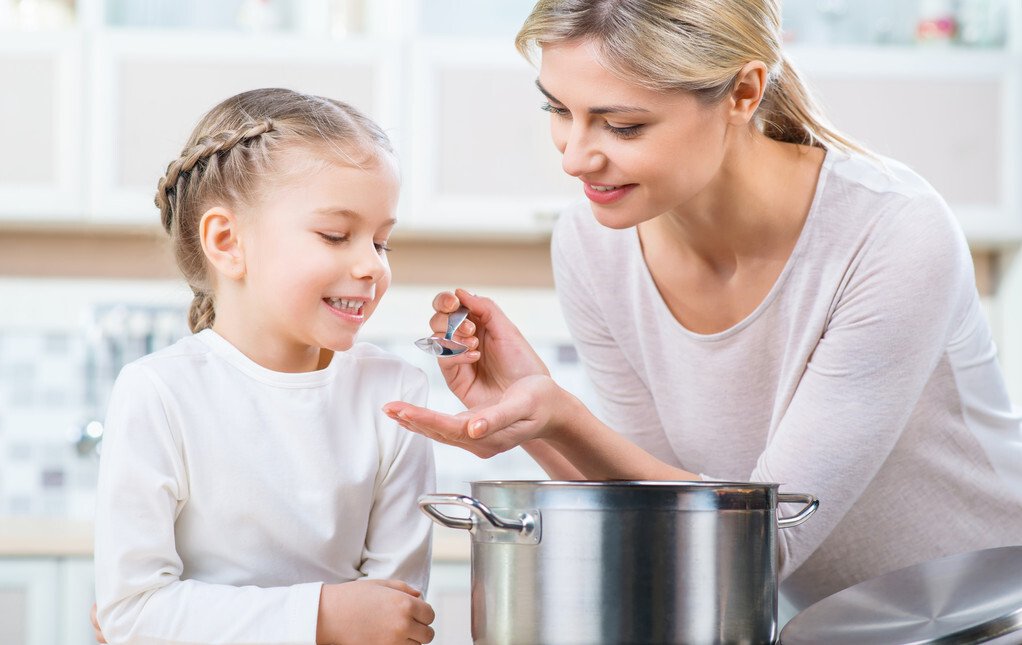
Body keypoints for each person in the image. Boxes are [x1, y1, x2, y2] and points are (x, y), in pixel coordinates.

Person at [383, 0, 1022, 610]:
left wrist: (566, 418)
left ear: (743, 93)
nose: (576, 156)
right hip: (825, 625)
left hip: (989, 618)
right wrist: (540, 417)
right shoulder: (591, 244)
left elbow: (766, 541)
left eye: (622, 124)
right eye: (559, 111)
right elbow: (659, 517)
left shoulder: (892, 234)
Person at [93, 88, 436, 645]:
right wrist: (324, 616)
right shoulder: (158, 392)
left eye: (382, 242)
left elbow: (394, 621)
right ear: (227, 242)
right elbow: (131, 613)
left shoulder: (396, 394)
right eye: (335, 235)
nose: (372, 265)